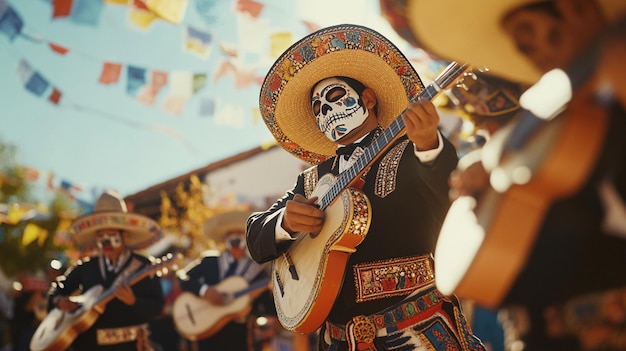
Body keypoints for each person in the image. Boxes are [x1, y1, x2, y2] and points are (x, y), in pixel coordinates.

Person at [379, 0, 626, 349]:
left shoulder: (612, 73)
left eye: (525, 25)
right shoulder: (552, 99)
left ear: (576, 7)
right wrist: (485, 163)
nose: (519, 45)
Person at [246, 24, 486, 351]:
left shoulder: (409, 153)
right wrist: (284, 224)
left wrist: (430, 145)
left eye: (333, 97)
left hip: (416, 329)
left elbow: (449, 202)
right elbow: (256, 236)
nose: (326, 111)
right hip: (337, 341)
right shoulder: (310, 181)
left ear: (368, 98)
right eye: (317, 109)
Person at [44, 190, 165, 351]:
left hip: (132, 346)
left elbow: (157, 306)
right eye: (101, 236)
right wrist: (59, 301)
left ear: (125, 235)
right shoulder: (85, 267)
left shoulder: (145, 266)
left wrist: (134, 301)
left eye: (111, 235)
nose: (106, 242)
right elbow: (56, 291)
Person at [176, 210, 275, 351]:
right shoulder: (210, 261)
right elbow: (183, 277)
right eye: (231, 241)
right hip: (207, 331)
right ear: (225, 242)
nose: (235, 246)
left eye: (239, 240)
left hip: (238, 336)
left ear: (246, 240)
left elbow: (267, 307)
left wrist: (274, 292)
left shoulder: (258, 272)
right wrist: (204, 291)